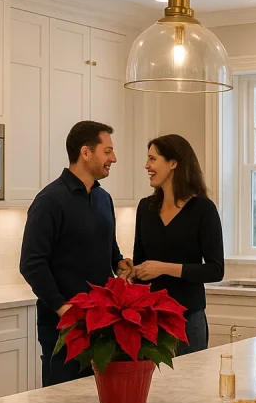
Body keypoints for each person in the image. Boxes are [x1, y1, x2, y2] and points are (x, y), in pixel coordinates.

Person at [19, 121, 131, 386]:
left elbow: (109, 247)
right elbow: (31, 263)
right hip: (64, 328)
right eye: (107, 151)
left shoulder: (104, 198)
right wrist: (62, 307)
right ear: (85, 152)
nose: (114, 158)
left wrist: (119, 262)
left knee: (100, 402)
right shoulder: (49, 201)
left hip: (102, 322)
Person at [132, 134, 224, 355]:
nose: (146, 166)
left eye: (153, 159)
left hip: (189, 320)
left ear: (173, 163)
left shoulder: (203, 209)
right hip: (150, 318)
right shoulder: (145, 208)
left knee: (191, 377)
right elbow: (140, 264)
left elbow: (215, 270)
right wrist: (131, 271)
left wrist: (163, 268)